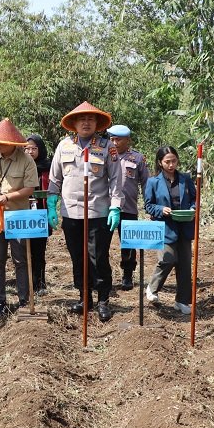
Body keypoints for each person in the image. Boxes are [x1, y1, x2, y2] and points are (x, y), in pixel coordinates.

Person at [48, 101, 123, 323]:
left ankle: (102, 300)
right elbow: (55, 178)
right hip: (71, 213)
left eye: (91, 119)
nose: (86, 123)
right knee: (77, 257)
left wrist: (115, 207)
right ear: (74, 124)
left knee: (98, 256)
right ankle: (84, 297)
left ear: (97, 124)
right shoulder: (64, 146)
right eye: (82, 119)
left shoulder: (107, 146)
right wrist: (52, 205)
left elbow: (116, 180)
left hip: (98, 212)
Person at [0, 118, 39, 319]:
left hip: (17, 216)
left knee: (20, 259)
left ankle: (23, 300)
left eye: (1, 142)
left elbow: (30, 188)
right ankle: (0, 302)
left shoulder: (26, 160)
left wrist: (8, 197)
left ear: (12, 143)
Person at [143, 146, 195, 314]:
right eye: (167, 162)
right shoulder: (153, 182)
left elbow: (195, 198)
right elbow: (148, 205)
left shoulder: (185, 179)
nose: (171, 165)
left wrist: (193, 209)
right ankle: (152, 288)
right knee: (168, 258)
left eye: (174, 161)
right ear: (160, 162)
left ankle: (182, 301)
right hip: (165, 226)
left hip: (184, 225)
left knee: (185, 265)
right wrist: (161, 209)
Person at [108, 124, 150, 290]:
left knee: (128, 243)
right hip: (108, 208)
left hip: (128, 208)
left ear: (128, 140)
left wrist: (149, 205)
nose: (114, 142)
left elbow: (146, 183)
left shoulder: (137, 158)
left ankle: (127, 274)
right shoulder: (105, 155)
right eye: (112, 139)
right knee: (102, 243)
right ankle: (105, 276)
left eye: (118, 139)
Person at [24, 134, 51, 294]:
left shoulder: (48, 166)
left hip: (41, 213)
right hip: (23, 212)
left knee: (39, 249)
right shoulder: (21, 165)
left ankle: (40, 281)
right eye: (27, 148)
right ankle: (27, 281)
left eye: (34, 148)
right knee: (23, 249)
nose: (30, 151)